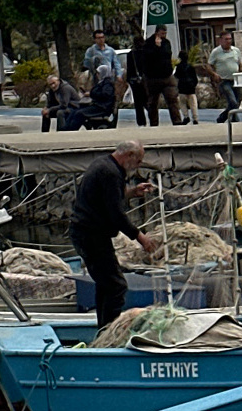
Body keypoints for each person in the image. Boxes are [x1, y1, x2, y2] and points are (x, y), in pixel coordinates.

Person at [71, 141, 156, 332]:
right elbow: (116, 214)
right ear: (129, 156)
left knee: (106, 284)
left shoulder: (104, 164)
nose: (138, 166)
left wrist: (132, 192)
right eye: (138, 161)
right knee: (116, 286)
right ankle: (110, 333)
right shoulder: (110, 172)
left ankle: (103, 329)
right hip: (90, 235)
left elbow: (109, 197)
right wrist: (140, 237)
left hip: (88, 233)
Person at [137, 27, 181, 126]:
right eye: (162, 33)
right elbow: (148, 57)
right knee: (153, 102)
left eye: (165, 33)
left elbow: (167, 54)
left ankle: (177, 121)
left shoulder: (166, 43)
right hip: (152, 78)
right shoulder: (148, 44)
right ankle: (154, 123)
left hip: (167, 76)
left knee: (172, 99)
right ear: (157, 33)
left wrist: (160, 47)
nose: (164, 35)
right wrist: (157, 47)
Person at [208, 34, 242, 118]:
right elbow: (209, 65)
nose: (228, 41)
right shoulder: (216, 52)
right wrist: (214, 74)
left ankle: (233, 118)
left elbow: (240, 63)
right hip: (224, 80)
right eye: (226, 39)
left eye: (230, 39)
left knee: (236, 102)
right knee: (233, 101)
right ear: (220, 40)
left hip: (236, 80)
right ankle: (223, 117)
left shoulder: (236, 50)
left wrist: (241, 70)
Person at [125, 33, 148, 124]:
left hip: (135, 80)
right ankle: (153, 118)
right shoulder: (146, 52)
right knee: (147, 100)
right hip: (146, 79)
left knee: (138, 102)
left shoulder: (131, 54)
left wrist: (128, 80)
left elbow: (129, 68)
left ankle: (141, 122)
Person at [175, 48, 200, 124]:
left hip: (182, 87)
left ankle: (186, 117)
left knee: (182, 103)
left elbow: (176, 76)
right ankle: (195, 118)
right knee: (193, 104)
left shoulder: (178, 67)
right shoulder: (191, 67)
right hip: (191, 88)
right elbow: (195, 78)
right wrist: (194, 85)